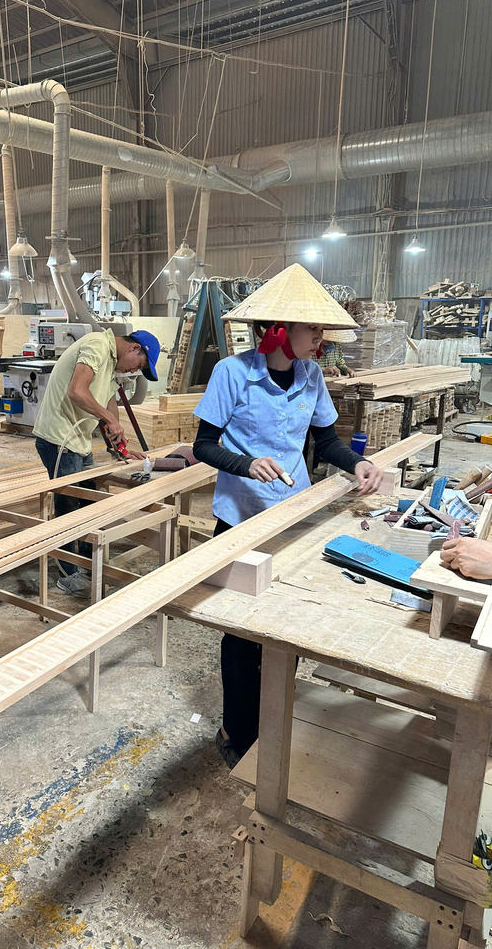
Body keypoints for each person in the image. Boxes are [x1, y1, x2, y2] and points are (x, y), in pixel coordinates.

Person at [191, 263, 383, 768]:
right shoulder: (232, 373)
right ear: (278, 329)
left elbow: (325, 442)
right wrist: (246, 463)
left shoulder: (312, 375)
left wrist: (357, 462)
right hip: (240, 518)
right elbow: (204, 445)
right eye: (312, 328)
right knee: (240, 632)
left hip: (292, 516)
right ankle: (238, 731)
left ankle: (274, 720)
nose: (321, 338)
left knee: (287, 625)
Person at [33, 328, 160, 595]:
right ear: (134, 348)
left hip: (78, 441)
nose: (133, 371)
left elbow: (109, 403)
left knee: (91, 501)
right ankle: (68, 574)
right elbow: (77, 391)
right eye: (138, 366)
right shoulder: (97, 345)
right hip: (59, 439)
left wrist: (120, 448)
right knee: (69, 508)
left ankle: (88, 564)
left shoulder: (112, 364)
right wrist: (110, 419)